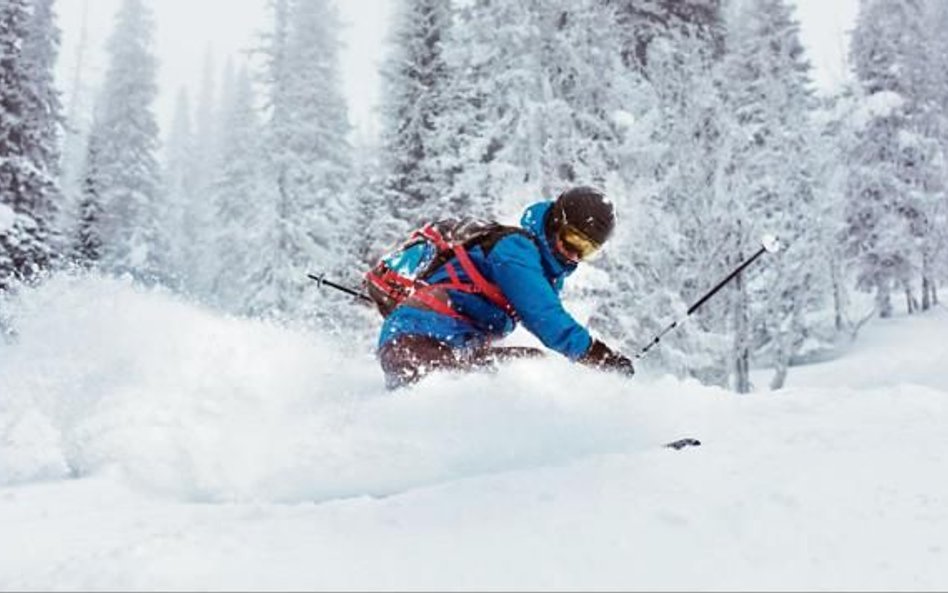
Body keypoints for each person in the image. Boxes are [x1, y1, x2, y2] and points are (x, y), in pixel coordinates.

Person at [377, 186, 636, 389]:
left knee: (527, 366)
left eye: (587, 250)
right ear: (556, 222)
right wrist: (601, 357)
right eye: (573, 240)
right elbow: (545, 318)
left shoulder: (543, 271)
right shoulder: (515, 250)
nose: (574, 255)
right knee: (523, 369)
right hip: (414, 345)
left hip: (446, 348)